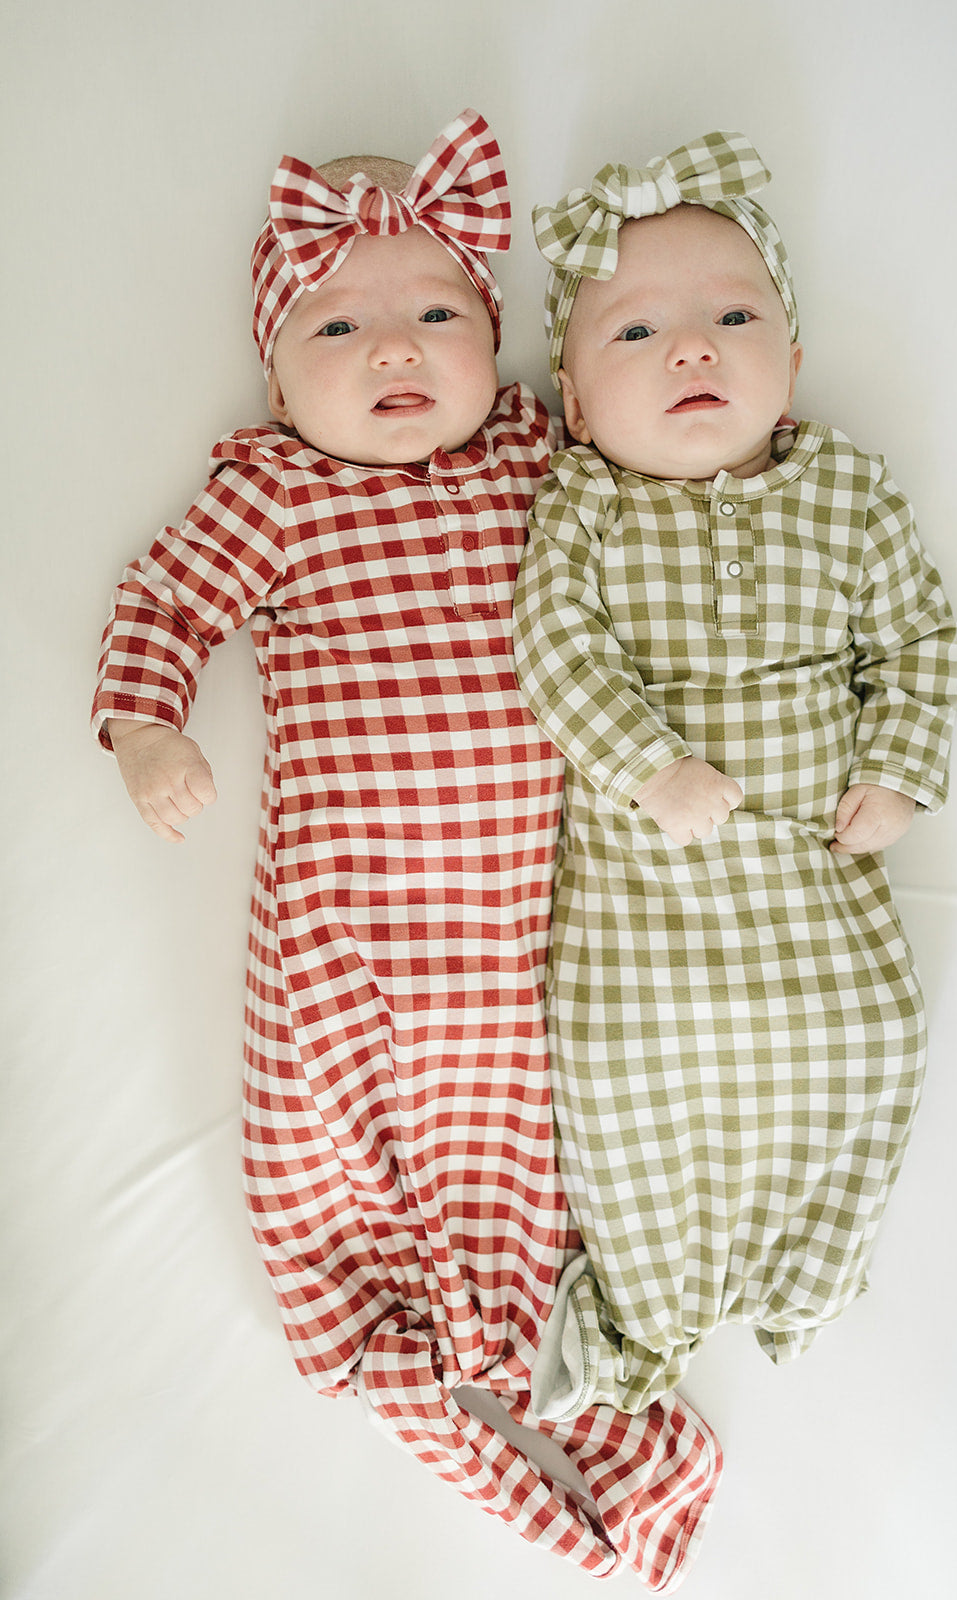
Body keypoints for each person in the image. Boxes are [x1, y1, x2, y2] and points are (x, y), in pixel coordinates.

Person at [92, 111, 721, 1591]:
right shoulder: (275, 491)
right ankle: (401, 1356)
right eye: (340, 323)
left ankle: (613, 1421)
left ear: (500, 347)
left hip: (522, 930)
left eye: (438, 312)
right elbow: (163, 601)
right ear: (274, 371)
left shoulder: (533, 455)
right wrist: (147, 732)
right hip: (339, 934)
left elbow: (648, 461)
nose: (394, 350)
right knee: (331, 1169)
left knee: (536, 1170)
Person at [512, 130, 957, 1421]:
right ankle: (646, 1306)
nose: (694, 348)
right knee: (619, 1067)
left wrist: (898, 771)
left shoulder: (848, 494)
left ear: (795, 362)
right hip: (647, 886)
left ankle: (806, 1274)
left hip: (808, 872)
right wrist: (647, 765)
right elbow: (553, 650)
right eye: (637, 333)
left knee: (871, 1037)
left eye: (731, 315)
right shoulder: (585, 505)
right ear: (580, 408)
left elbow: (919, 638)